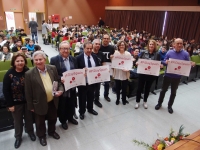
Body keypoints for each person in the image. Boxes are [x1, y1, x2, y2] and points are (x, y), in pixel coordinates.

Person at [25, 51, 64, 146]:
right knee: (40, 122)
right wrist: (30, 106)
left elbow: (58, 82)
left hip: (52, 100)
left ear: (45, 59)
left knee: (53, 118)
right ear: (33, 61)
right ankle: (41, 136)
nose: (38, 62)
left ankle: (52, 131)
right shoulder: (29, 74)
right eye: (36, 60)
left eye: (40, 59)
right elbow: (28, 92)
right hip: (38, 103)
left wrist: (61, 90)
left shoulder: (52, 68)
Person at [3, 53, 36, 149]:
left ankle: (30, 132)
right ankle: (18, 137)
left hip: (27, 101)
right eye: (17, 61)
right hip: (15, 103)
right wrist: (10, 105)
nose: (20, 63)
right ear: (14, 62)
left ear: (25, 62)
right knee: (17, 121)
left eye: (22, 61)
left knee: (29, 118)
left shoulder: (27, 71)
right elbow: (6, 90)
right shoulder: (9, 74)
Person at [155, 38, 195, 114]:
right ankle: (159, 103)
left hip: (177, 77)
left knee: (173, 92)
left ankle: (170, 106)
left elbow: (188, 64)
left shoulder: (186, 54)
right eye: (178, 43)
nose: (179, 45)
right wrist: (165, 62)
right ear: (174, 44)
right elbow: (163, 61)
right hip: (168, 75)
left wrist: (192, 64)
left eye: (181, 43)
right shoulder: (169, 52)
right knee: (163, 90)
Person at [50, 41, 78, 130]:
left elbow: (76, 71)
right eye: (63, 48)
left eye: (67, 48)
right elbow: (52, 74)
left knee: (71, 102)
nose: (66, 50)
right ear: (59, 49)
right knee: (62, 104)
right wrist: (60, 77)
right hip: (61, 86)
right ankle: (63, 120)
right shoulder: (54, 60)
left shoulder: (73, 59)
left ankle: (70, 118)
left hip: (72, 85)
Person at [135, 40, 162, 109]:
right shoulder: (143, 52)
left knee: (147, 88)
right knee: (139, 88)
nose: (151, 45)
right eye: (150, 44)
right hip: (142, 73)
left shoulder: (157, 54)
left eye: (153, 44)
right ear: (148, 45)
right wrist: (137, 63)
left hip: (151, 75)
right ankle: (137, 101)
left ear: (155, 46)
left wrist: (160, 65)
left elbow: (158, 63)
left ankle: (145, 101)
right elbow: (138, 60)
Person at [76, 42, 100, 120]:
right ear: (84, 48)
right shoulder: (78, 58)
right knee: (82, 97)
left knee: (91, 96)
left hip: (92, 81)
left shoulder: (95, 57)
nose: (89, 50)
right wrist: (82, 71)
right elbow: (75, 70)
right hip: (83, 82)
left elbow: (97, 67)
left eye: (90, 48)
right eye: (87, 48)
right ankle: (82, 112)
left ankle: (90, 109)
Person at [112, 41, 131, 105]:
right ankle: (117, 99)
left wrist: (127, 69)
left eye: (123, 45)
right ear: (118, 46)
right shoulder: (116, 53)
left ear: (125, 46)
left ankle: (124, 99)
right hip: (117, 72)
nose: (121, 46)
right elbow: (113, 62)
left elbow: (130, 64)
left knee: (124, 88)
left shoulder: (128, 54)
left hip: (124, 73)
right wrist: (112, 58)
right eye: (120, 45)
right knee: (117, 87)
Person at [99, 34, 115, 102]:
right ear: (102, 39)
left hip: (108, 67)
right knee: (98, 82)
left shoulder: (112, 48)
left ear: (109, 39)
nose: (106, 40)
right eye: (104, 38)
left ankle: (106, 95)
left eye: (107, 38)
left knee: (107, 83)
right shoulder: (99, 47)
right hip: (99, 67)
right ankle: (97, 95)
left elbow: (114, 58)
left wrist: (113, 58)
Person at [92, 39, 105, 108]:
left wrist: (104, 70)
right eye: (96, 44)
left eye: (99, 44)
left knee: (97, 88)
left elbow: (103, 63)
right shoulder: (89, 53)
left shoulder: (101, 54)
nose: (97, 45)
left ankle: (96, 99)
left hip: (98, 74)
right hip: (91, 75)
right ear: (93, 44)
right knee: (90, 89)